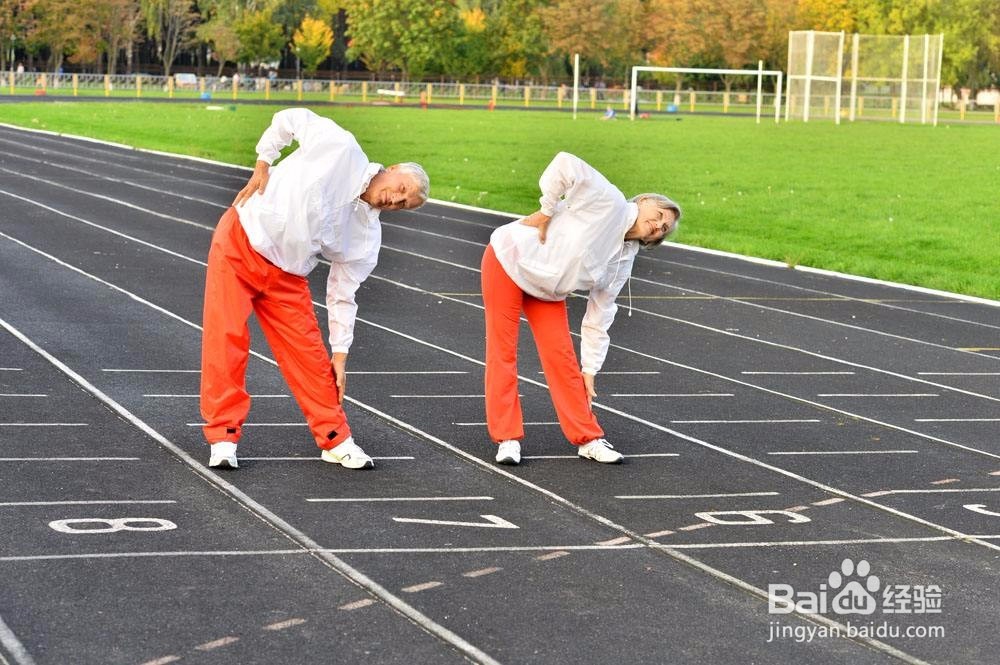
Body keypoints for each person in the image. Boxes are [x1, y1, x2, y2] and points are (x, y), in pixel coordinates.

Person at [201, 107, 429, 470]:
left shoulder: (367, 236)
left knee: (312, 356)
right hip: (242, 241)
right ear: (394, 168)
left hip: (287, 274)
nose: (395, 199)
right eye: (401, 189)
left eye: (404, 204)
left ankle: (335, 439)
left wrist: (341, 354)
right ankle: (223, 437)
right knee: (225, 341)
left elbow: (343, 294)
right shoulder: (341, 147)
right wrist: (264, 161)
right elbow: (288, 119)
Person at [481, 152, 680, 465]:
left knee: (563, 359)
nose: (658, 224)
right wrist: (547, 211)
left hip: (547, 288)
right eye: (657, 214)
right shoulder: (610, 201)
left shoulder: (624, 260)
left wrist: (591, 368)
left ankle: (588, 439)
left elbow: (600, 315)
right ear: (640, 202)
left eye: (664, 227)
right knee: (503, 352)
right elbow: (564, 163)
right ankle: (507, 439)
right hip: (509, 259)